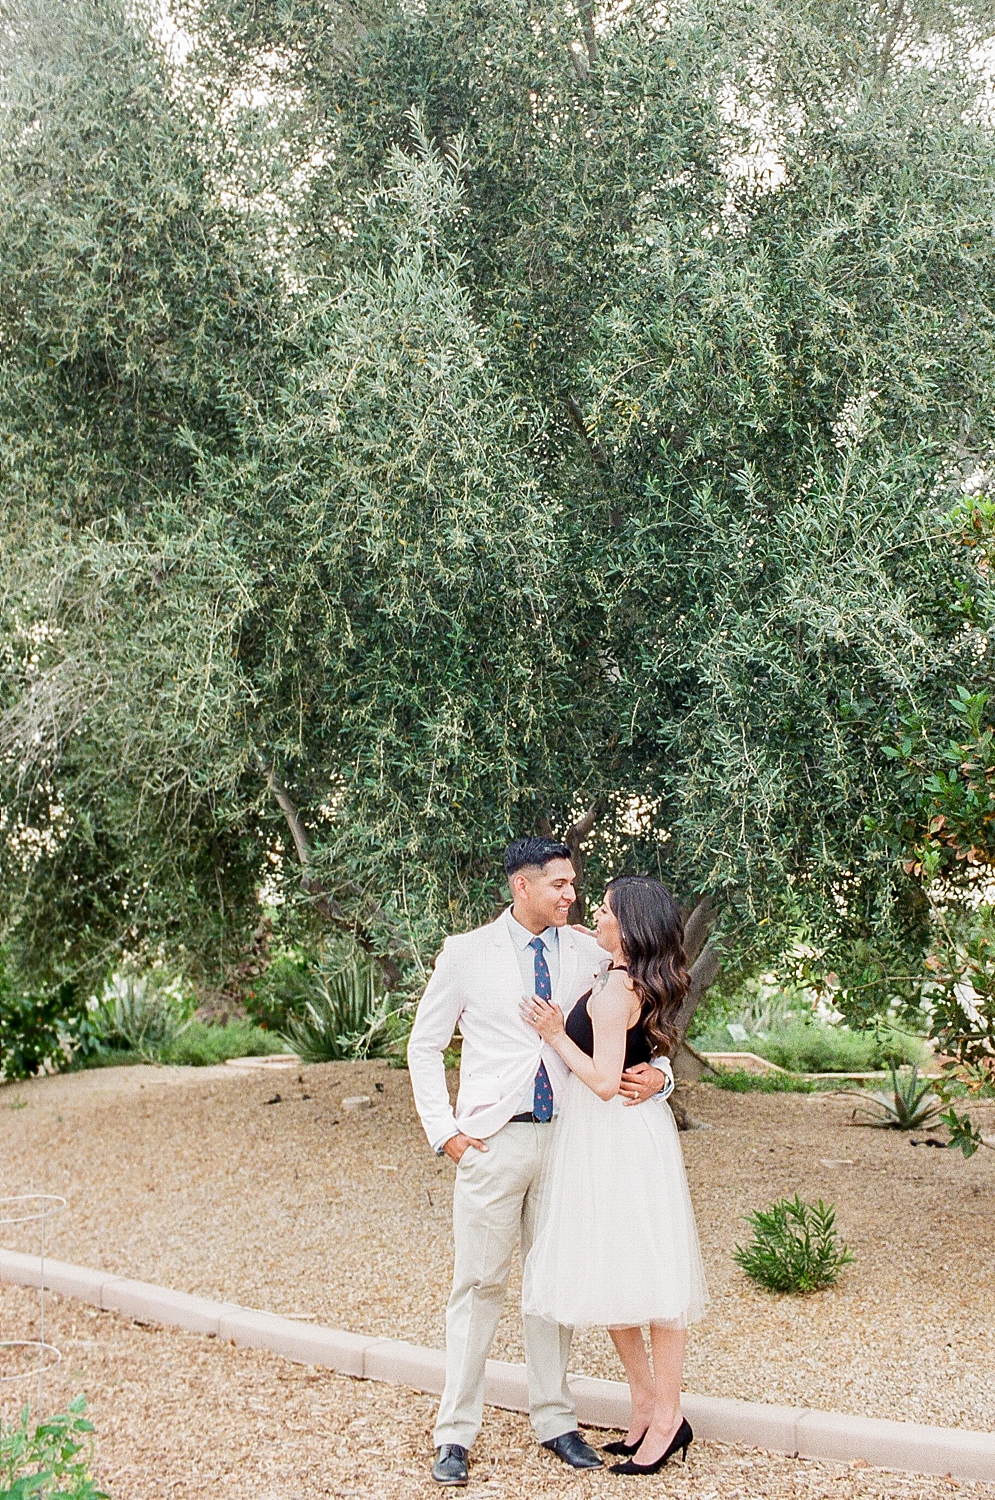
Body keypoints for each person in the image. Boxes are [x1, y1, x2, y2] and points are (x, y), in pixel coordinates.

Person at [407, 838, 674, 1487]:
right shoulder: (465, 953)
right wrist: (445, 1133)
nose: (571, 895)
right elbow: (424, 1044)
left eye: (574, 884)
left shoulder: (590, 952)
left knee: (551, 1289)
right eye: (558, 884)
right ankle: (454, 1434)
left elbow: (641, 1026)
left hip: (572, 1143)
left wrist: (660, 1077)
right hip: (494, 1143)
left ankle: (555, 1421)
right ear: (520, 886)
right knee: (477, 1287)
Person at [521, 876, 709, 1477]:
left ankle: (667, 1418)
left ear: (626, 929)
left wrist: (554, 1034)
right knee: (615, 1275)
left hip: (618, 1139)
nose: (593, 915)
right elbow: (639, 1053)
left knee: (650, 1280)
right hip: (613, 1140)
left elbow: (603, 1082)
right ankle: (645, 1407)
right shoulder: (617, 973)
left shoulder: (614, 991)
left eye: (604, 910)